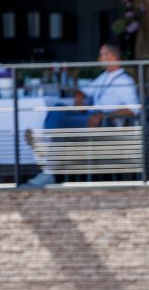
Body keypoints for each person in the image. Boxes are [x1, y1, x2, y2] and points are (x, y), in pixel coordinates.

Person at [25, 42, 139, 186]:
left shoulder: (125, 81)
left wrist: (102, 116)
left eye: (102, 55)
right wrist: (79, 97)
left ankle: (46, 159)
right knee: (57, 109)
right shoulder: (104, 76)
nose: (99, 59)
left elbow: (134, 109)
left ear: (112, 56)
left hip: (104, 123)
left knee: (58, 121)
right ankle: (46, 150)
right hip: (90, 117)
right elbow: (84, 91)